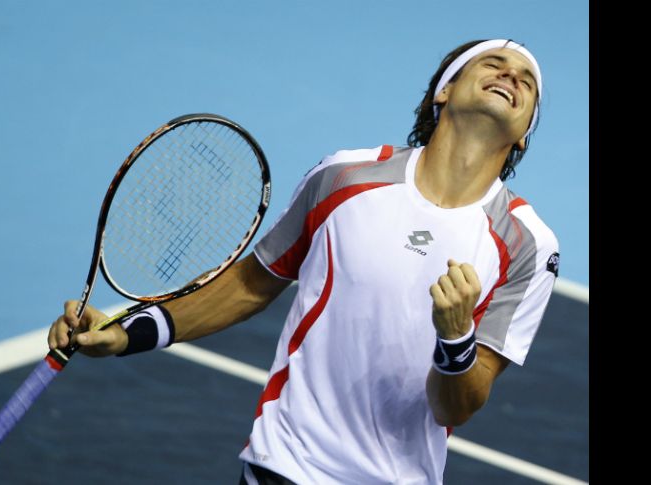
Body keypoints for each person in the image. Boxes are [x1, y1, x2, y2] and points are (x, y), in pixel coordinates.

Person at [48, 39, 560, 484]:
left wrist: (455, 338)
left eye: (526, 83)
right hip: (288, 464)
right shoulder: (344, 178)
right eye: (493, 63)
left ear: (522, 135)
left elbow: (457, 407)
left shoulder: (528, 246)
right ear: (443, 91)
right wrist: (128, 332)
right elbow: (251, 284)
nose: (510, 76)